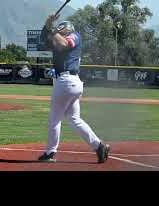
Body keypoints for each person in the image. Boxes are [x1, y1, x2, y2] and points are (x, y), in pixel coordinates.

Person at [37, 14, 110, 163]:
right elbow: (42, 40)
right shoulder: (57, 40)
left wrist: (52, 29)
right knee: (74, 119)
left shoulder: (74, 36)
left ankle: (50, 153)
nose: (60, 30)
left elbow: (65, 44)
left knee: (55, 119)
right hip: (70, 83)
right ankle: (99, 146)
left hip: (66, 81)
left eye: (62, 28)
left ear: (68, 29)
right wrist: (47, 24)